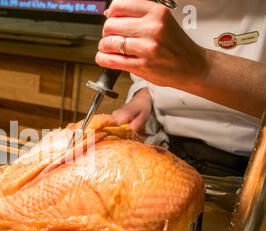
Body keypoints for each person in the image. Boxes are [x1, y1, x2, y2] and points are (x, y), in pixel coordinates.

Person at [96, 0, 265, 176]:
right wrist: (145, 93)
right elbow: (155, 59)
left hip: (249, 166)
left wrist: (203, 67)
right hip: (168, 150)